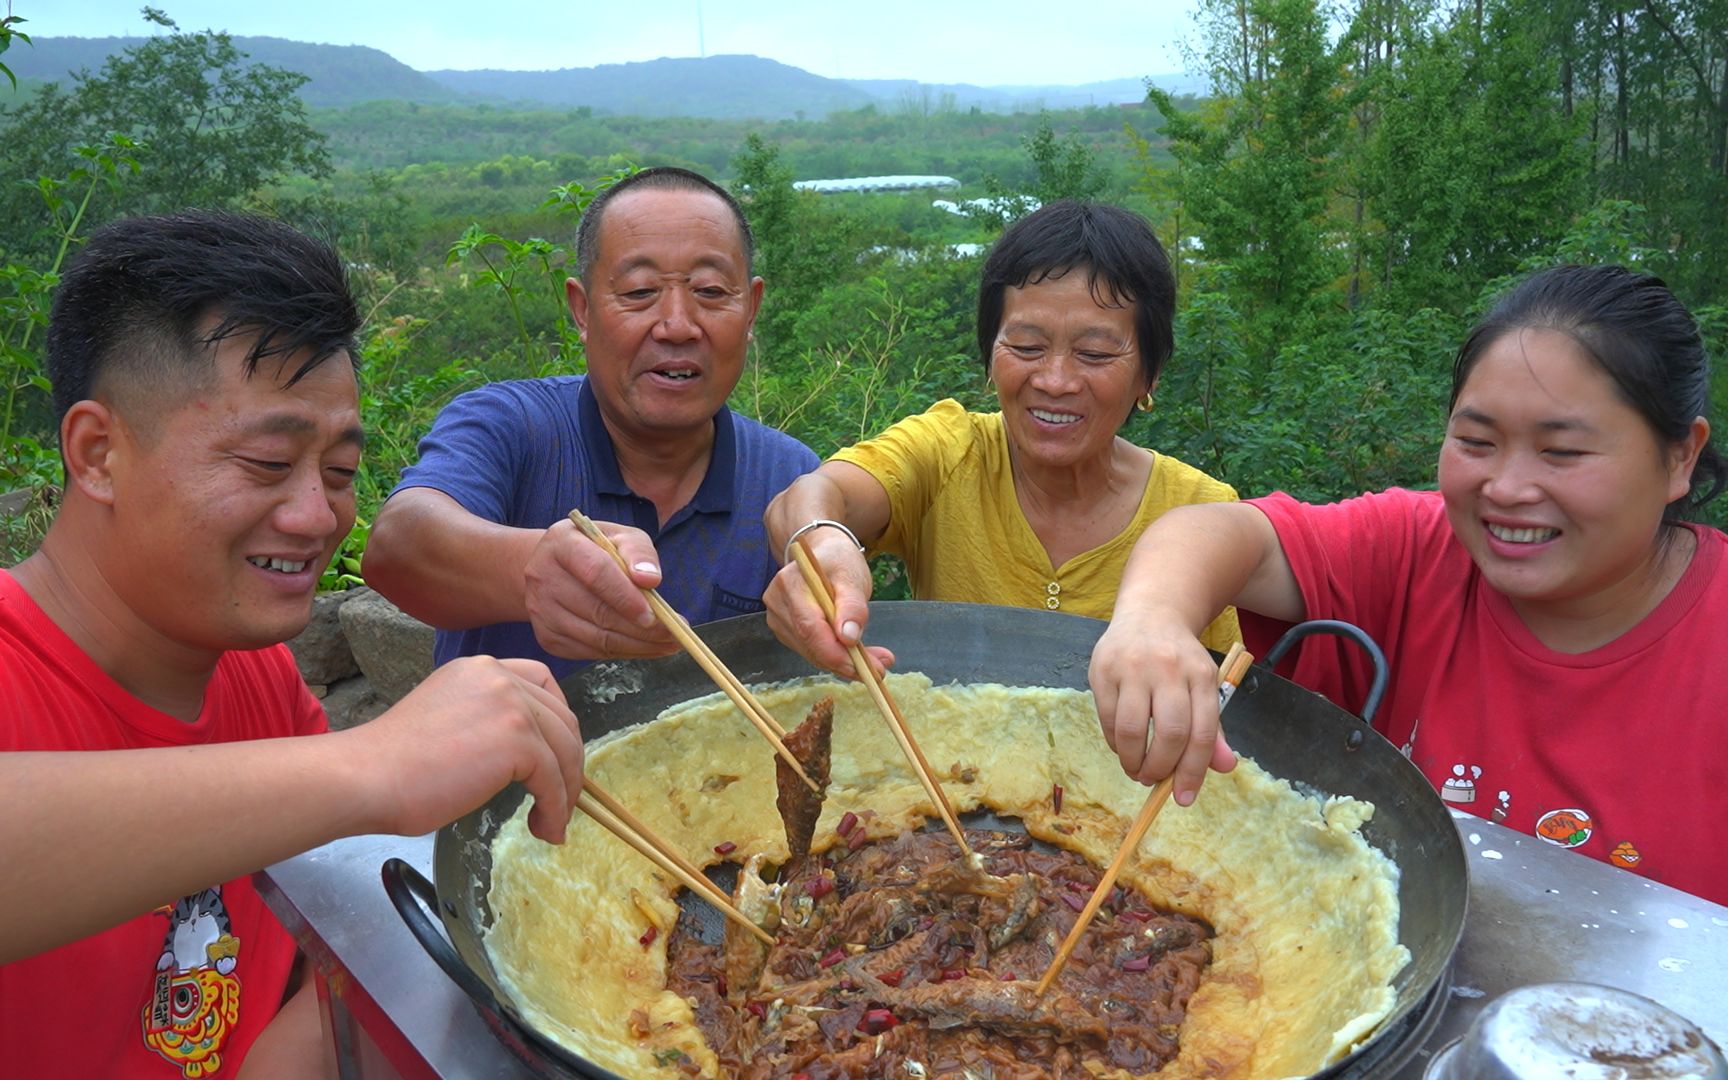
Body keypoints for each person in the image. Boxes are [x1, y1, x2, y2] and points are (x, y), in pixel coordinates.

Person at [0, 211, 586, 1078]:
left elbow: (315, 982)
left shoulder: (255, 676)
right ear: (98, 454)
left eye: (341, 473)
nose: (318, 516)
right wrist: (372, 766)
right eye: (267, 464)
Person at [1090, 264, 1728, 905]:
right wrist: (1153, 618)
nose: (1505, 489)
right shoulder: (1417, 554)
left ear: (1680, 457)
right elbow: (1224, 536)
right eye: (1477, 441)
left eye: (1562, 453)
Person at [363, 167, 819, 680]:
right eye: (639, 291)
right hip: (514, 761)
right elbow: (397, 547)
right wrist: (535, 569)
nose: (677, 325)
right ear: (582, 311)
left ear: (751, 309)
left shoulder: (787, 474)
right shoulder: (512, 425)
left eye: (711, 291)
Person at [762, 199, 1240, 680]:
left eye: (1094, 353)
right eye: (1027, 347)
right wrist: (819, 543)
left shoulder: (1200, 513)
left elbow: (1222, 701)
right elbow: (813, 495)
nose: (1055, 380)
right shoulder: (948, 451)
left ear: (1149, 375)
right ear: (990, 356)